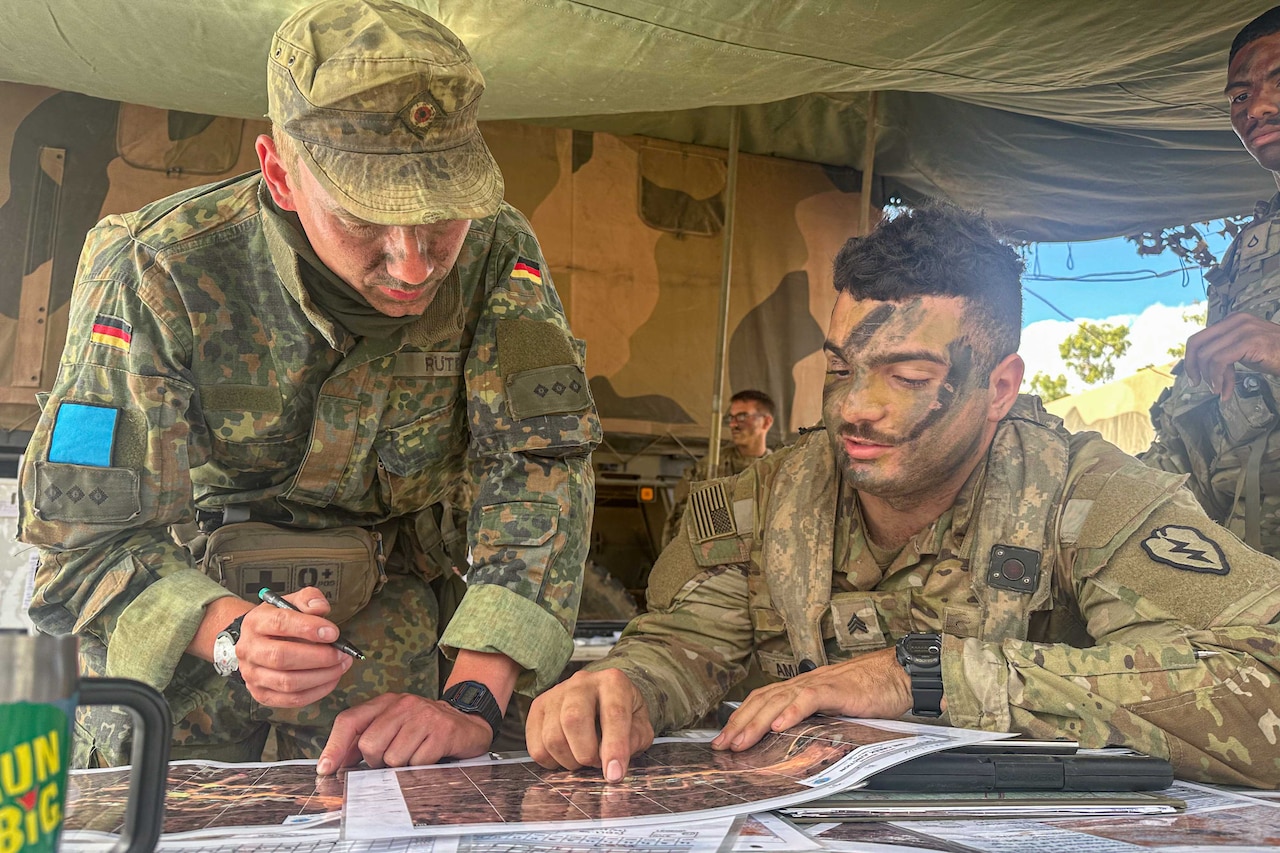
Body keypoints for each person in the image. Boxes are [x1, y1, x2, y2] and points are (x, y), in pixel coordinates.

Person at [18, 0, 599, 772]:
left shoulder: (498, 255)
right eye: (365, 217)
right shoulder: (157, 270)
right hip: (180, 646)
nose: (414, 263)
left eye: (440, 218)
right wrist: (230, 632)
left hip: (389, 653)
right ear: (279, 174)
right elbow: (78, 542)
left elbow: (538, 476)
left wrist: (470, 699)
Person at [526, 203, 1280, 789]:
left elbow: (1265, 681)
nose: (856, 407)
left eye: (910, 378)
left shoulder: (1091, 498)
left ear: (1000, 386)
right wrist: (624, 687)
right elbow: (683, 644)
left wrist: (922, 675)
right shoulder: (764, 500)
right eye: (839, 367)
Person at [1144, 6, 1280, 557]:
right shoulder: (1251, 250)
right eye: (1238, 97)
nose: (1258, 108)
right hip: (1253, 576)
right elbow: (1214, 421)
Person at [660, 390, 776, 547]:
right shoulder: (709, 468)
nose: (734, 424)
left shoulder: (778, 471)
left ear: (766, 422)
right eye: (732, 417)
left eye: (742, 417)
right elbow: (680, 519)